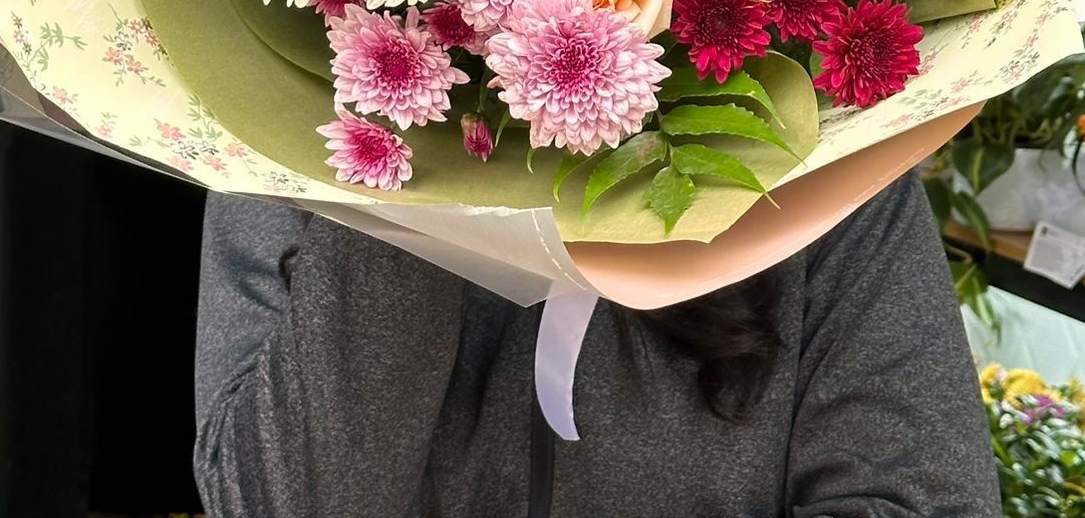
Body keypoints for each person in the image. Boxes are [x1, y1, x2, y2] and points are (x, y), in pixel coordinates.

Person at [194, 175, 1000, 517]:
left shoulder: (837, 167)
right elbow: (279, 505)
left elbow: (922, 501)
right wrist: (406, 134)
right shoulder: (284, 137)